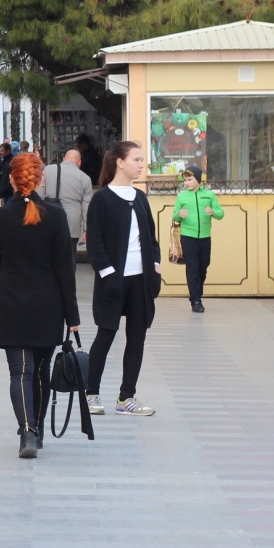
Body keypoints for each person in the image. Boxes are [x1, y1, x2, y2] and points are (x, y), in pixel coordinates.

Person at [0, 152, 80, 458]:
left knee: (19, 372)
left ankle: (27, 432)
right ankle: (34, 430)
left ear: (11, 178)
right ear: (40, 179)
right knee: (39, 370)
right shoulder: (56, 215)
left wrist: (5, 268)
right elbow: (66, 269)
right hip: (47, 304)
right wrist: (72, 316)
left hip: (11, 302)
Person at [84, 141, 163, 417]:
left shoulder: (140, 197)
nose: (142, 165)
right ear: (119, 162)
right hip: (113, 281)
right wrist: (109, 274)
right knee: (106, 335)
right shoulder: (102, 199)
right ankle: (90, 393)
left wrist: (155, 265)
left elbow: (151, 238)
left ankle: (126, 398)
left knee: (137, 338)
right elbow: (95, 243)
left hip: (140, 281)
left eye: (143, 160)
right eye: (137, 159)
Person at [173, 164, 223, 313]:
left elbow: (221, 214)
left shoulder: (209, 195)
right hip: (188, 237)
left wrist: (213, 212)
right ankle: (195, 300)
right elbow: (175, 215)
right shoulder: (182, 196)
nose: (186, 183)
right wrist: (179, 215)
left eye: (189, 179)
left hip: (205, 237)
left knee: (203, 267)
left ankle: (197, 294)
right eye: (185, 180)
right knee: (192, 268)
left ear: (198, 180)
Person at [38, 148, 95, 264]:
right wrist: (87, 230)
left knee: (48, 257)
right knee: (69, 260)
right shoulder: (85, 178)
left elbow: (39, 196)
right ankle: (68, 281)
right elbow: (86, 208)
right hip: (71, 225)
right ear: (79, 163)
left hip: (49, 220)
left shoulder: (48, 170)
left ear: (64, 159)